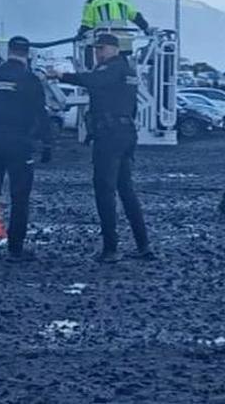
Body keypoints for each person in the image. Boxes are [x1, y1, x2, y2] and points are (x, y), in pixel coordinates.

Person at [46, 33, 151, 263]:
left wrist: (60, 75)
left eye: (101, 49)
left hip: (110, 135)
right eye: (96, 49)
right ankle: (143, 245)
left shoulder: (112, 69)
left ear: (114, 49)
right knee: (126, 190)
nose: (97, 53)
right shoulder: (128, 71)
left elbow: (92, 81)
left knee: (105, 190)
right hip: (125, 133)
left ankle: (111, 248)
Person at [0, 36, 52, 261]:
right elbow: (41, 113)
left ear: (9, 52)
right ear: (27, 54)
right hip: (19, 142)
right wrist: (47, 143)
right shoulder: (30, 80)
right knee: (20, 196)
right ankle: (15, 249)